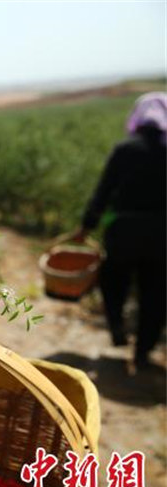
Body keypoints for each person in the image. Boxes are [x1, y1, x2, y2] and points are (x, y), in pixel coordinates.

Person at [74, 92, 167, 373]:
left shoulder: (125, 149)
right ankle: (143, 352)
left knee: (112, 278)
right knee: (157, 294)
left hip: (124, 231)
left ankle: (116, 323)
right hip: (163, 235)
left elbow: (103, 191)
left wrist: (86, 226)